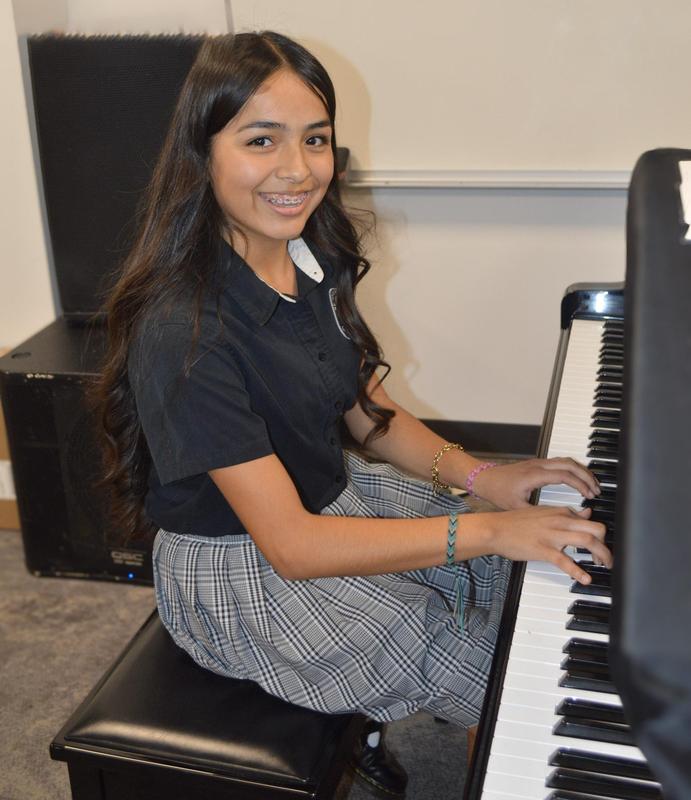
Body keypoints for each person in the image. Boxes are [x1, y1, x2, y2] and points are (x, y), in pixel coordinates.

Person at [94, 31, 611, 797]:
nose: (296, 169)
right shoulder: (184, 331)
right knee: (500, 670)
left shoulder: (310, 255)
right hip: (246, 571)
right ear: (202, 155)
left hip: (329, 496)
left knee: (513, 582)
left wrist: (485, 478)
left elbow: (364, 408)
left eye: (315, 140)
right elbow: (295, 549)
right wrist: (488, 525)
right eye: (260, 140)